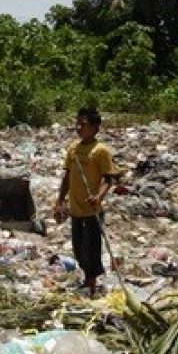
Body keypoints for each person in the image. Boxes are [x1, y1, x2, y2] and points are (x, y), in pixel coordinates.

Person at [54, 107, 118, 296]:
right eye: (77, 123)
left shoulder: (101, 151)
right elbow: (67, 176)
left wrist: (98, 197)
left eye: (83, 124)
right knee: (78, 247)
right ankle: (86, 279)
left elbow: (108, 179)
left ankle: (91, 283)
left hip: (92, 209)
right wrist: (60, 199)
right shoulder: (73, 149)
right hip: (76, 208)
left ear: (95, 127)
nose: (78, 127)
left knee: (91, 248)